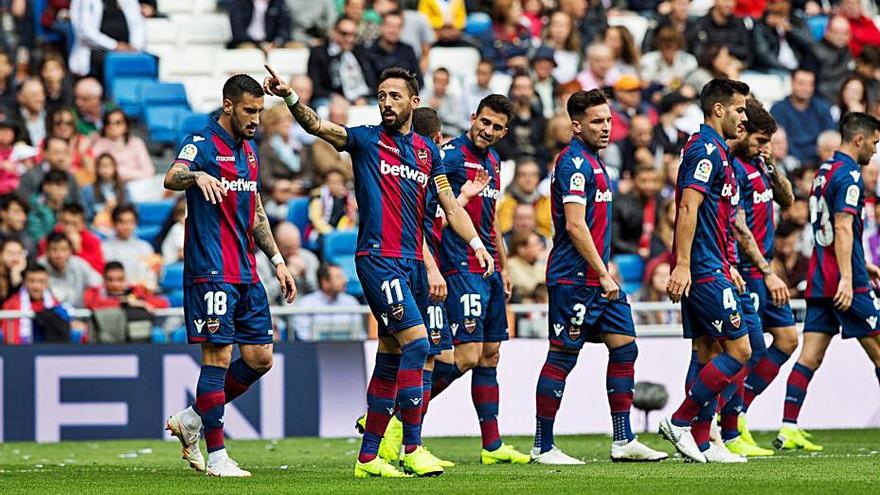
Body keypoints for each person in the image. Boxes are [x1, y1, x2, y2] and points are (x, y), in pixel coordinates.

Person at [264, 65, 493, 478]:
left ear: (414, 102)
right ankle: (412, 447)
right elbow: (318, 126)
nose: (386, 102)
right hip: (378, 258)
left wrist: (476, 243)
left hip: (412, 264)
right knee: (419, 346)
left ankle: (368, 457)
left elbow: (450, 204)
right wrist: (291, 97)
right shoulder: (366, 139)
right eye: (382, 95)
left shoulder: (428, 152)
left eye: (395, 96)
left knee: (390, 357)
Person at [163, 74, 297, 478]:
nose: (256, 118)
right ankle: (218, 457)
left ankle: (191, 418)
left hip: (246, 270)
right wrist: (197, 176)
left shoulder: (251, 152)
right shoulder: (201, 142)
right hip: (210, 269)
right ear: (228, 106)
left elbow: (255, 212)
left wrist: (276, 259)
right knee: (218, 357)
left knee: (259, 359)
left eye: (259, 111)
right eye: (248, 110)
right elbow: (172, 176)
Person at [533, 89, 668, 464]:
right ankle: (543, 445)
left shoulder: (596, 162)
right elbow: (575, 226)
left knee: (625, 347)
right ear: (576, 126)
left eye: (608, 120)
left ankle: (623, 440)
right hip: (574, 279)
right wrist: (602, 271)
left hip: (597, 280)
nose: (606, 127)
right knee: (562, 357)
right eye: (597, 121)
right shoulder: (574, 163)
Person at [420, 94, 532, 466]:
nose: (488, 130)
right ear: (473, 117)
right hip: (458, 265)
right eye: (484, 122)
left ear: (504, 132)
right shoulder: (449, 156)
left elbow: (493, 218)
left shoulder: (496, 161)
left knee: (490, 355)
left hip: (488, 269)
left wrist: (502, 264)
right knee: (465, 356)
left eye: (497, 127)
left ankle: (493, 445)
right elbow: (433, 210)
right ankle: (391, 416)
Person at [659, 78, 753, 464]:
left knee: (706, 349)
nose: (744, 118)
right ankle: (681, 422)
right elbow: (686, 208)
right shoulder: (705, 151)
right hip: (700, 267)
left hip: (713, 264)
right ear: (719, 109)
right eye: (740, 109)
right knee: (740, 349)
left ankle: (699, 442)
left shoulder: (718, 152)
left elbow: (716, 218)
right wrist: (683, 264)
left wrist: (728, 262)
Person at [775, 112, 880, 451]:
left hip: (820, 277)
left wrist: (860, 261)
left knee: (810, 357)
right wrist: (851, 277)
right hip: (844, 283)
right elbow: (843, 226)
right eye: (875, 144)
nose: (875, 152)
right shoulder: (850, 176)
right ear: (859, 140)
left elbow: (830, 230)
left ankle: (788, 427)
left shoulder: (824, 171)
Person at [722, 98, 798, 456]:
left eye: (769, 141)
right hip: (749, 270)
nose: (764, 147)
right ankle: (732, 423)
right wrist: (768, 273)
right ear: (744, 133)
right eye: (761, 140)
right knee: (749, 349)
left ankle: (739, 412)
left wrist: (772, 164)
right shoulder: (734, 168)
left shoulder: (761, 164)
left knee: (786, 340)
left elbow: (788, 198)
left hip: (765, 268)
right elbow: (738, 228)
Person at [83, 260, 169, 342]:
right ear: (104, 279)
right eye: (110, 279)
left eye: (120, 279)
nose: (115, 284)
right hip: (101, 336)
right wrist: (125, 303)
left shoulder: (133, 291)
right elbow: (93, 305)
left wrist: (140, 302)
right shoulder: (93, 292)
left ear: (125, 279)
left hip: (131, 337)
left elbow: (163, 303)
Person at [770, 69, 836, 166]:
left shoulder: (823, 108)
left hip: (820, 159)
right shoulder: (778, 109)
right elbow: (778, 142)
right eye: (801, 83)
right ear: (792, 83)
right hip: (789, 160)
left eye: (810, 84)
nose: (805, 88)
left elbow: (830, 136)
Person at [307, 17, 375, 104]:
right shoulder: (319, 53)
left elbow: (371, 82)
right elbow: (315, 86)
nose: (349, 39)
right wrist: (333, 96)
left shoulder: (360, 52)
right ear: (334, 32)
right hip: (330, 99)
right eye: (344, 34)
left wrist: (364, 98)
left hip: (363, 99)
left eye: (354, 35)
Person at [69, 0, 145, 77]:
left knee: (147, 61)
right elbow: (84, 32)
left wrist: (134, 46)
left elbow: (137, 24)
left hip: (127, 50)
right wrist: (115, 46)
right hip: (97, 50)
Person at [288, 263, 364, 341]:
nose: (345, 281)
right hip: (314, 351)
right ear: (325, 282)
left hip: (348, 350)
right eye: (339, 278)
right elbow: (303, 336)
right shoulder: (305, 304)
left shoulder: (351, 302)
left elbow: (359, 334)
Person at [0, 262, 71, 344]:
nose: (36, 286)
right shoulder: (11, 304)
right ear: (24, 282)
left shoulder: (54, 303)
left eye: (41, 281)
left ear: (47, 283)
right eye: (31, 281)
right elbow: (9, 338)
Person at [38, 231, 103, 308]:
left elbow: (98, 283)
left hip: (79, 314)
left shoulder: (80, 264)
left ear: (70, 251)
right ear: (47, 251)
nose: (59, 255)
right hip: (48, 315)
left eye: (64, 250)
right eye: (54, 250)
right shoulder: (39, 266)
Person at [611, 164, 663, 258]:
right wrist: (637, 250)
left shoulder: (661, 202)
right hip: (625, 255)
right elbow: (614, 240)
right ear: (634, 181)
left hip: (654, 254)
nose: (650, 185)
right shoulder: (620, 203)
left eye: (654, 181)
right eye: (644, 181)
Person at [101, 204, 157, 290]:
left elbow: (152, 276)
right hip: (114, 294)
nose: (126, 226)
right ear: (114, 223)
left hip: (141, 293)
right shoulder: (104, 247)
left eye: (131, 222)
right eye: (122, 222)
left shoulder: (145, 247)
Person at [90, 109, 154, 183]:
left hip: (137, 185)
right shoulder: (99, 144)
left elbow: (149, 171)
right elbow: (94, 169)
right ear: (105, 126)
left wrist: (122, 173)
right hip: (111, 186)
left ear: (126, 125)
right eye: (109, 123)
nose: (112, 126)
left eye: (118, 122)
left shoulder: (137, 143)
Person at [37, 203, 105, 273]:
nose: (69, 228)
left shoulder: (93, 241)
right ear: (59, 222)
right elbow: (42, 266)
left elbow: (98, 270)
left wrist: (78, 251)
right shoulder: (48, 240)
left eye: (74, 224)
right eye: (65, 223)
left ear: (83, 225)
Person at [685, 0, 753, 68]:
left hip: (734, 67)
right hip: (706, 69)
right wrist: (719, 57)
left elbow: (746, 52)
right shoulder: (700, 24)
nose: (729, 5)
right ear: (715, 1)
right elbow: (697, 52)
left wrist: (727, 55)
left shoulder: (739, 23)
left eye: (732, 1)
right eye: (725, 1)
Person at [366, 10, 422, 90]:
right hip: (377, 98)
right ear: (381, 27)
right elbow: (370, 83)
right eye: (389, 26)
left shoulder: (408, 50)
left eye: (397, 26)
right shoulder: (369, 51)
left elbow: (418, 81)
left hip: (405, 97)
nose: (393, 30)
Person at [20, 136, 84, 205]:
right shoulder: (30, 176)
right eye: (57, 153)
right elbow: (25, 202)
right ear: (44, 153)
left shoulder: (70, 177)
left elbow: (78, 204)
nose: (61, 158)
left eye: (65, 152)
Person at [496, 159, 552, 238]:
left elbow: (550, 230)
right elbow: (504, 232)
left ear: (538, 178)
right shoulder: (505, 202)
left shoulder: (546, 201)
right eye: (523, 175)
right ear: (516, 178)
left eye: (533, 175)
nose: (528, 179)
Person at [44, 107, 96, 184]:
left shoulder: (82, 142)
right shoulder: (46, 142)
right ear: (52, 125)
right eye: (58, 123)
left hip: (79, 184)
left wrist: (81, 152)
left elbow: (91, 173)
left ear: (74, 125)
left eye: (68, 123)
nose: (63, 127)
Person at [305, 169, 356, 244]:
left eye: (339, 182)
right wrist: (331, 232)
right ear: (326, 183)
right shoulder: (319, 196)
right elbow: (315, 219)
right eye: (332, 182)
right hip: (322, 233)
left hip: (340, 232)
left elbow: (349, 219)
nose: (335, 185)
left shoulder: (345, 198)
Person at [81, 153, 129, 232]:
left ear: (115, 167)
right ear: (97, 168)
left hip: (119, 227)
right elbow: (85, 214)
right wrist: (105, 209)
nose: (106, 169)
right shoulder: (88, 189)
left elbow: (130, 210)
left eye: (109, 165)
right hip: (96, 227)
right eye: (102, 166)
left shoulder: (124, 188)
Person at [813, 16, 854, 103]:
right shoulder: (815, 52)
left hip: (844, 99)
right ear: (826, 32)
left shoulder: (847, 50)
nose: (840, 37)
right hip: (823, 100)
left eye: (845, 33)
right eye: (836, 32)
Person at [26, 169, 75, 242]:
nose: (64, 191)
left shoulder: (70, 206)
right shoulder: (34, 207)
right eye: (59, 185)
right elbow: (36, 235)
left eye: (66, 187)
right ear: (46, 187)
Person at [228, 0, 293, 51]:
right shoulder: (239, 3)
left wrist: (276, 42)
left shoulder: (278, 3)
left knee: (296, 47)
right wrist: (259, 44)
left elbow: (285, 29)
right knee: (248, 49)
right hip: (247, 42)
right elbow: (238, 33)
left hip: (271, 43)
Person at [506, 231, 546, 302]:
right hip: (520, 309)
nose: (541, 246)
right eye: (536, 244)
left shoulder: (537, 263)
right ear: (522, 249)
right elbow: (530, 287)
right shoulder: (511, 265)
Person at [13, 77, 48, 146]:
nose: (40, 98)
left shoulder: (51, 116)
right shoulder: (13, 118)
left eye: (41, 93)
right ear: (21, 97)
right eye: (34, 95)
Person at [0, 237, 27, 302]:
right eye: (10, 253)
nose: (15, 257)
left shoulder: (26, 273)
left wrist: (15, 274)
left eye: (18, 253)